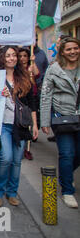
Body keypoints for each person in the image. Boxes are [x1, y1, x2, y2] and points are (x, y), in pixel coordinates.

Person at [0, 46, 38, 208]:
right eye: (8, 55)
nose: (11, 58)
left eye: (14, 56)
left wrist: (35, 125)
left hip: (21, 126)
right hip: (2, 125)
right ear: (2, 58)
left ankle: (12, 192)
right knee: (6, 158)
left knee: (17, 161)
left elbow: (32, 103)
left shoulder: (24, 77)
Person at [40, 37, 80, 209]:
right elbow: (46, 95)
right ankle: (67, 191)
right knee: (66, 153)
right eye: (69, 49)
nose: (73, 52)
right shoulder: (54, 70)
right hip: (62, 117)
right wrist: (44, 121)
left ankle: (65, 175)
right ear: (62, 52)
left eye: (75, 48)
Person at [17, 47, 40, 160]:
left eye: (25, 56)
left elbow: (37, 73)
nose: (22, 58)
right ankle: (24, 148)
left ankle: (27, 146)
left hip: (32, 96)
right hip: (21, 100)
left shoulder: (30, 68)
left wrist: (33, 61)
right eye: (20, 56)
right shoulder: (16, 71)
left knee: (29, 124)